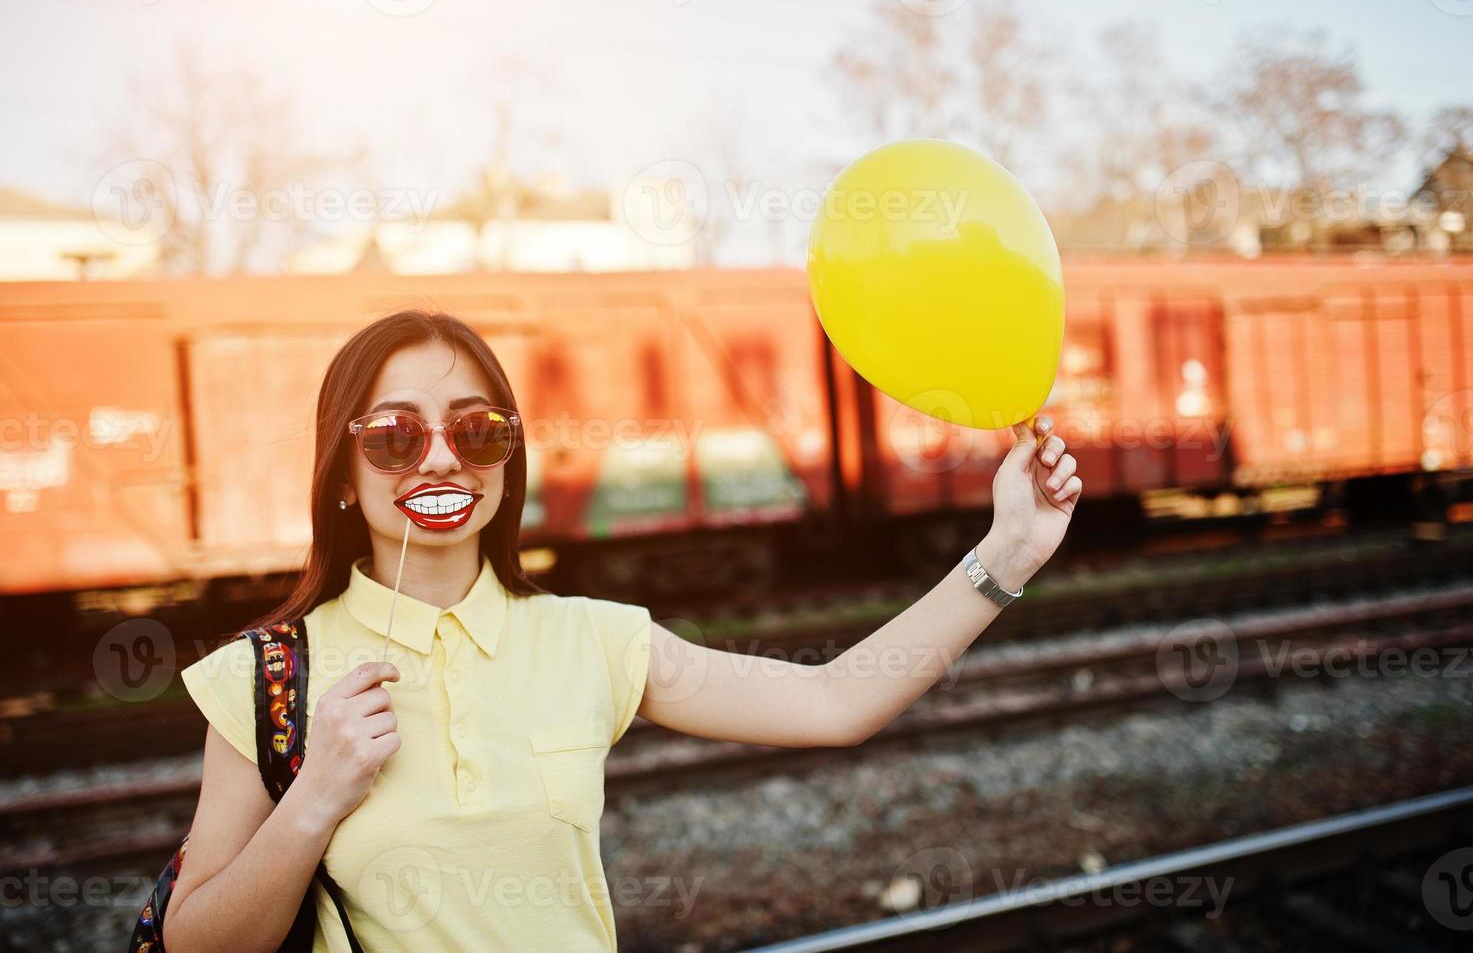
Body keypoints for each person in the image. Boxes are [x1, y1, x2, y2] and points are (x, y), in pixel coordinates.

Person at [163, 309, 1081, 952]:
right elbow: (197, 943)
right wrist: (316, 797)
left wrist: (1007, 553)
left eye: (477, 430)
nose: (442, 458)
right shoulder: (263, 676)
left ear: (507, 457)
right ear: (341, 468)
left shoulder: (592, 640)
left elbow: (831, 700)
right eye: (395, 437)